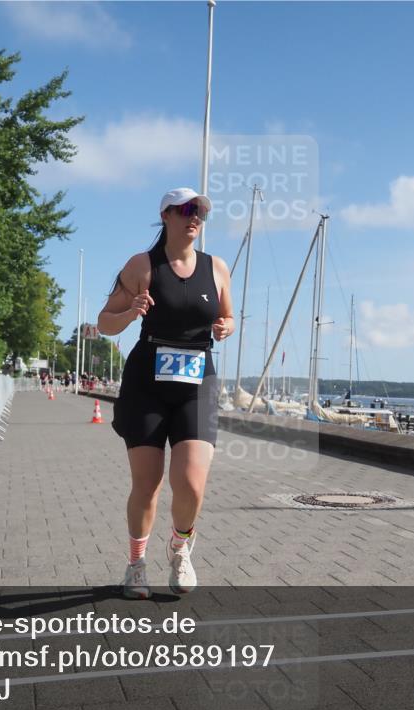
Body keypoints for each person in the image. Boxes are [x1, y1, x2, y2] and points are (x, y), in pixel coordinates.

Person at [98, 187, 234, 598]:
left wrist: (226, 327)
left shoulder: (217, 267)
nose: (195, 217)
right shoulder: (143, 264)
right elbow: (105, 322)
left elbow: (226, 316)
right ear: (167, 215)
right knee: (148, 482)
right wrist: (131, 310)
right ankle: (136, 564)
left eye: (201, 213)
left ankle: (180, 548)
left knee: (191, 483)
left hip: (196, 380)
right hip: (148, 381)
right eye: (187, 210)